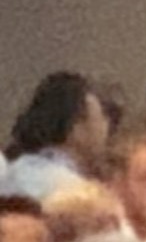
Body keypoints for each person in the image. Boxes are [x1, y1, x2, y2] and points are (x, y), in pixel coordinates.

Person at [4, 70, 111, 203]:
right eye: (102, 118)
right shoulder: (78, 195)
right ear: (77, 128)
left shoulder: (14, 173)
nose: (106, 127)